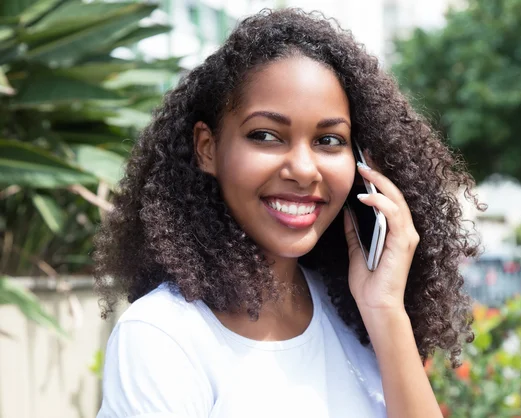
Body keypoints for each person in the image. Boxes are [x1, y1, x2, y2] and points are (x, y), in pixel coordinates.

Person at [94, 8, 482, 418]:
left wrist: (384, 308)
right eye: (266, 135)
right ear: (207, 148)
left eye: (329, 140)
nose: (302, 169)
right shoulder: (164, 336)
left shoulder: (354, 315)